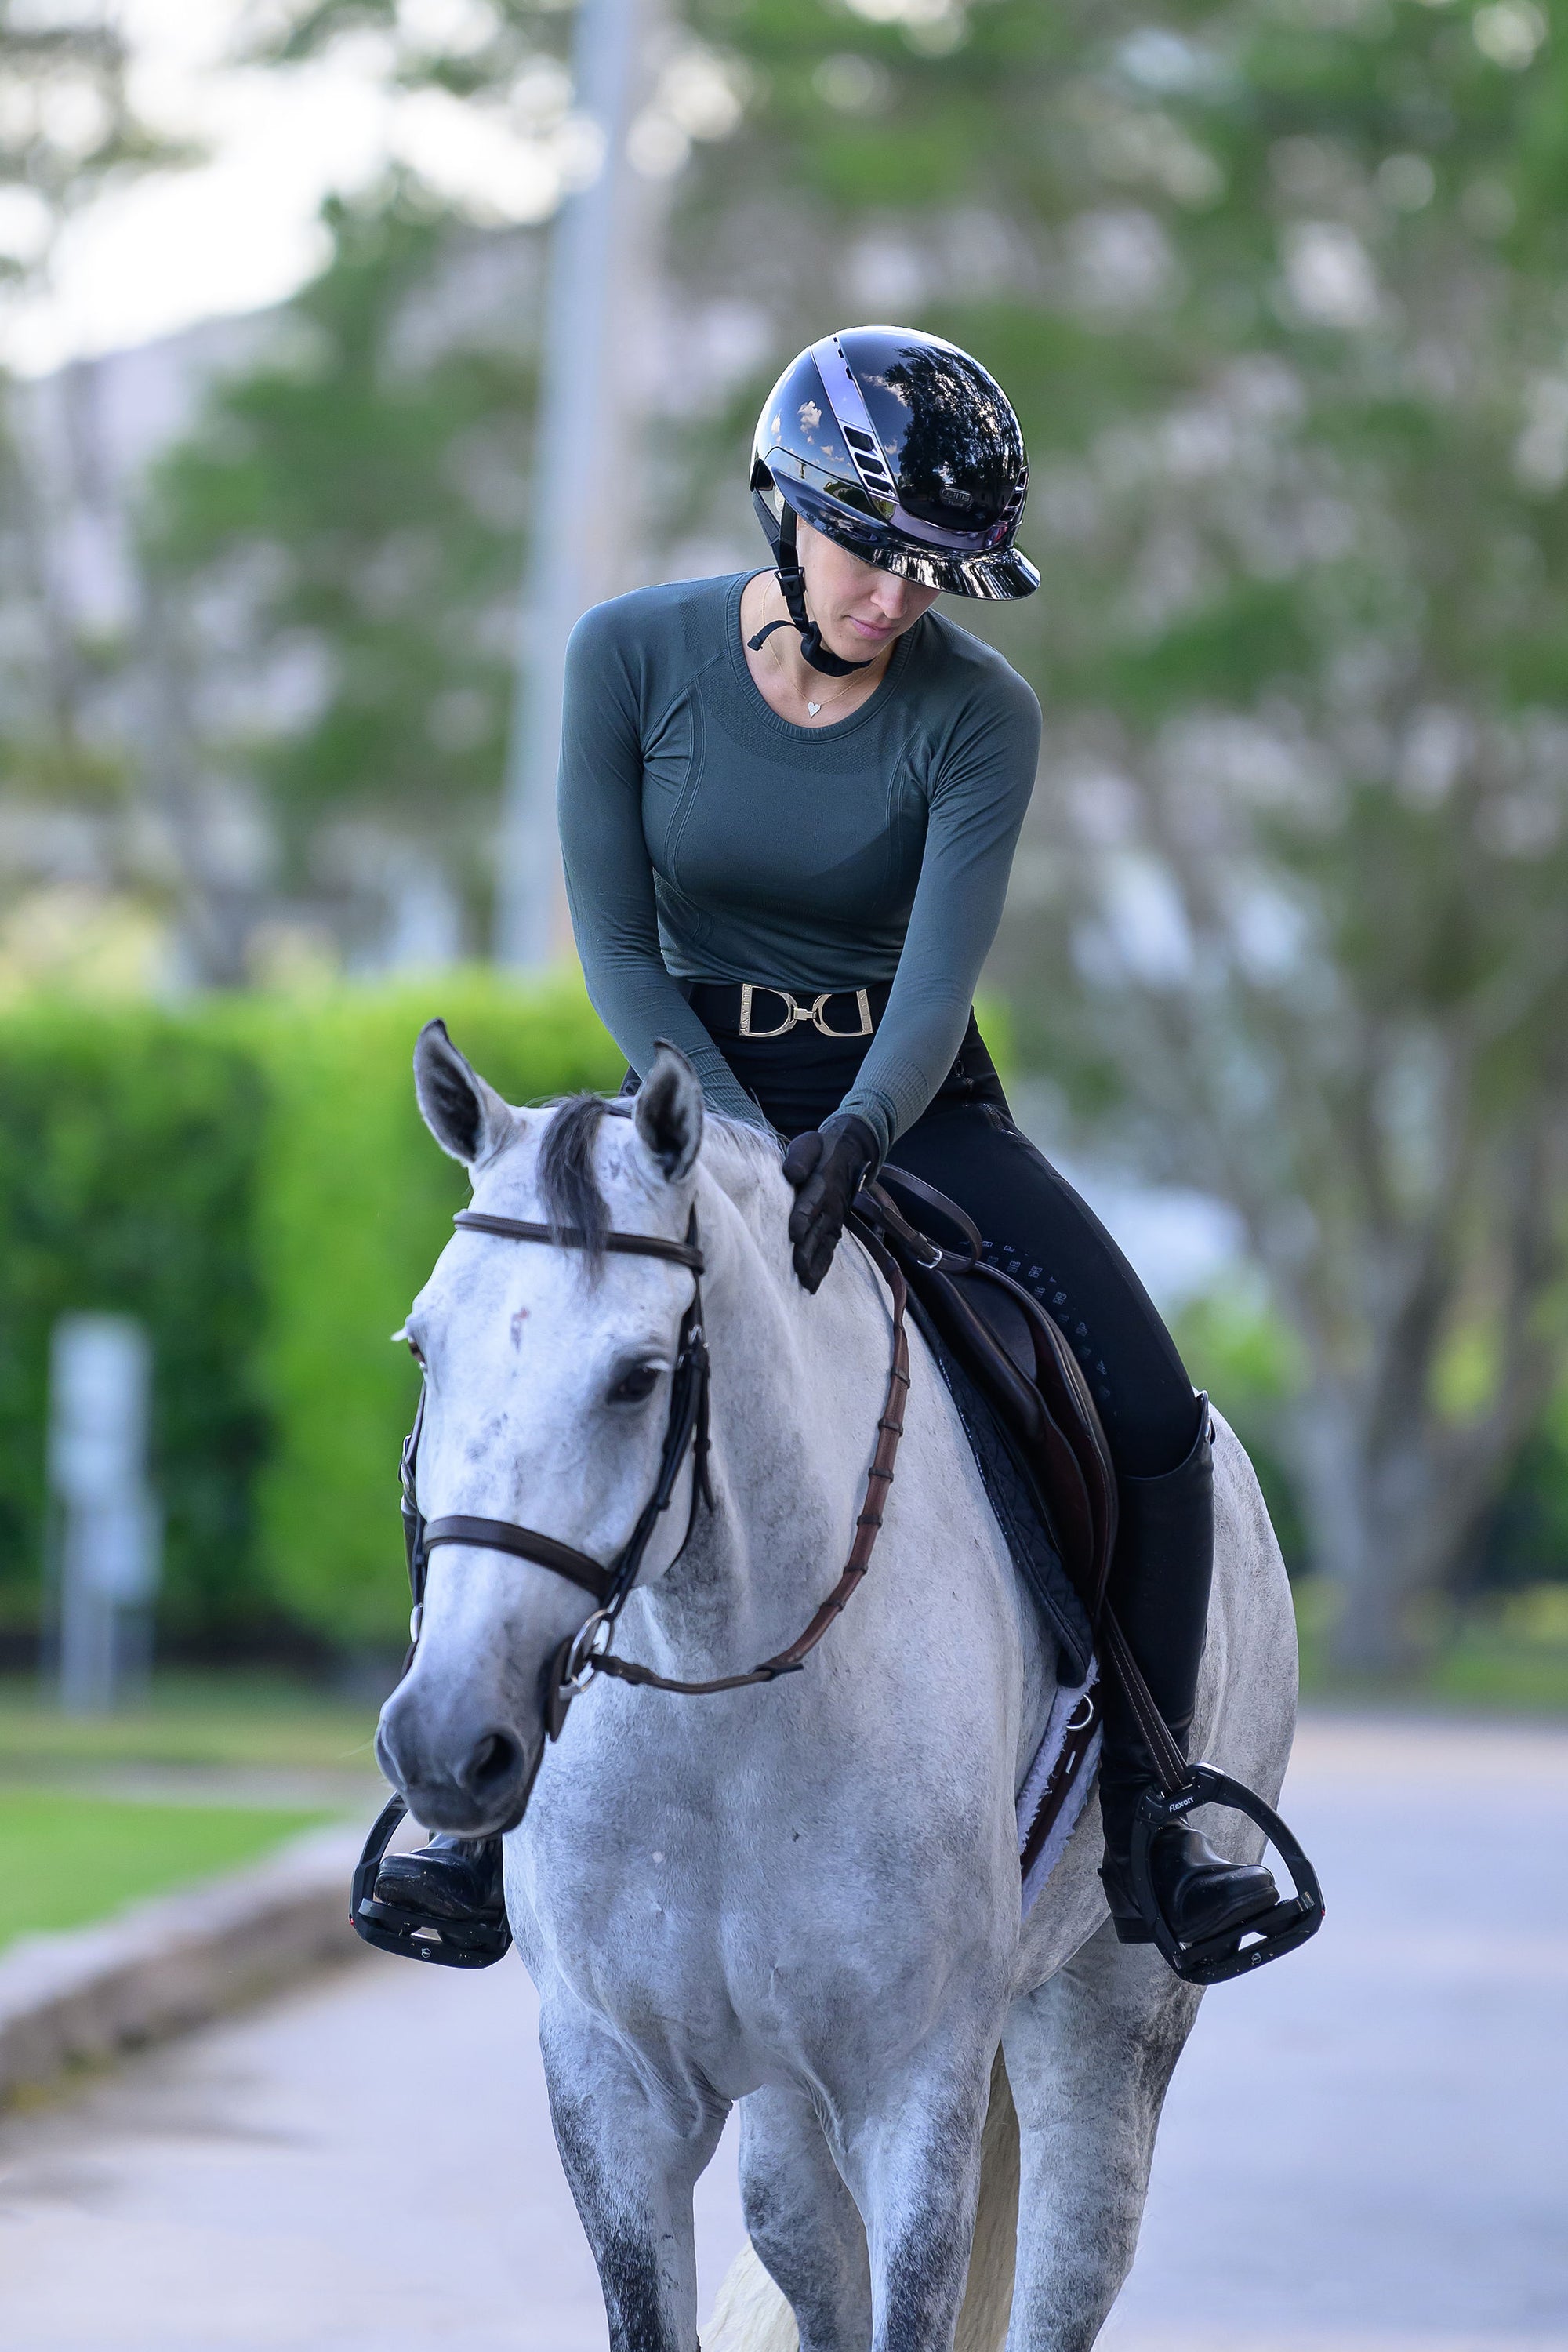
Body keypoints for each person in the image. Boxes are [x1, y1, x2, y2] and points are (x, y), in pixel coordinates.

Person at [378, 325, 1279, 1955]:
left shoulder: (977, 714)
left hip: (911, 1107)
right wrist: (724, 1137)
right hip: (679, 1092)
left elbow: (938, 976)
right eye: (873, 551)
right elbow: (623, 948)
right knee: (515, 1373)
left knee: (1148, 1406)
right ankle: (447, 1811)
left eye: (933, 572)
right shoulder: (627, 659)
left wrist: (857, 1130)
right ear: (779, 512)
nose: (895, 597)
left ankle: (1160, 1808)